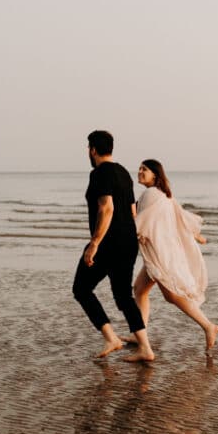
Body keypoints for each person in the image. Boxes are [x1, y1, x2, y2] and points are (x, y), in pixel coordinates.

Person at [72, 130, 155, 362]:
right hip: (128, 242)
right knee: (123, 296)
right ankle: (145, 348)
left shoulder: (99, 173)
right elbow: (132, 211)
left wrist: (94, 244)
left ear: (93, 150)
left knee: (81, 288)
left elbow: (106, 208)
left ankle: (111, 338)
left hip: (108, 243)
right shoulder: (123, 173)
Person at [127, 159, 218, 353]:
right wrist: (196, 236)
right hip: (163, 251)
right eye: (139, 168)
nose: (140, 172)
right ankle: (139, 335)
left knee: (171, 295)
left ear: (155, 174)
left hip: (161, 254)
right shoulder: (164, 195)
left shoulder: (150, 194)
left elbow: (141, 223)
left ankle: (208, 326)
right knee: (140, 290)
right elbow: (181, 216)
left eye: (145, 169)